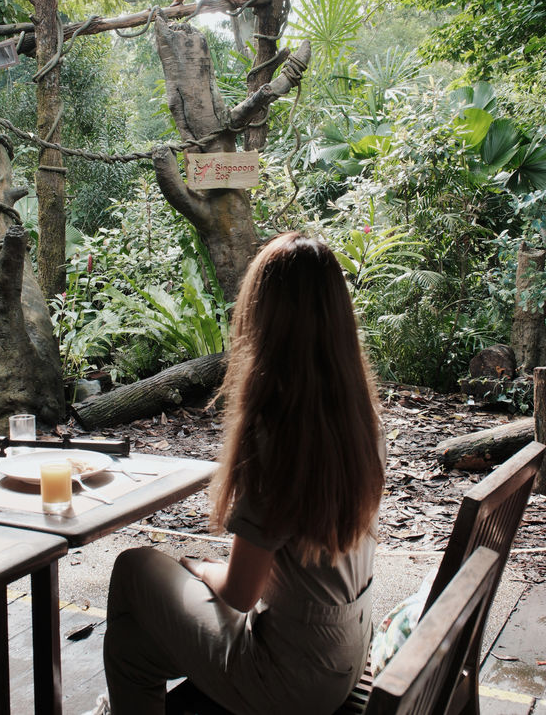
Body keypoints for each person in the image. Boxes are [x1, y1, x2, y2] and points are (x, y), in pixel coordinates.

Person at [102, 232, 385, 715]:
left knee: (134, 566)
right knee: (129, 646)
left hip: (294, 677)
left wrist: (193, 567)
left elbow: (239, 591)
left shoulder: (279, 433)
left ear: (262, 319)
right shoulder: (360, 419)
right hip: (348, 644)